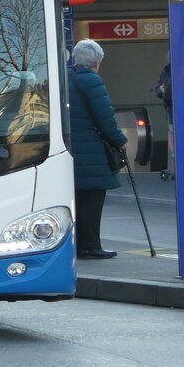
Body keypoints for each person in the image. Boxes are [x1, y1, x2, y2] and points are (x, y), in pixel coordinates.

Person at [67, 39, 128, 260]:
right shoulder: (92, 81)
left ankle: (75, 245)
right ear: (97, 62)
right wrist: (120, 139)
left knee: (76, 198)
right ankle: (90, 245)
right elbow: (105, 117)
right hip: (91, 150)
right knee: (93, 199)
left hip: (70, 150)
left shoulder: (65, 79)